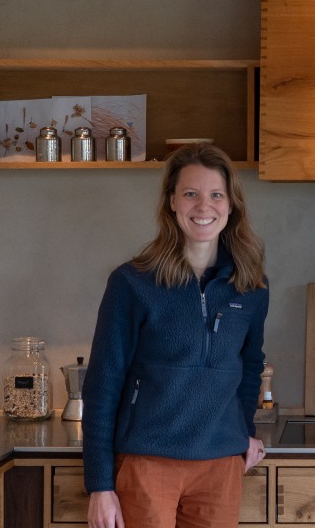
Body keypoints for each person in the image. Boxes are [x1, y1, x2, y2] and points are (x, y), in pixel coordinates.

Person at [83, 143, 270, 528]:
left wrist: (245, 431)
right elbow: (103, 383)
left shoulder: (251, 286)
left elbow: (250, 367)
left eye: (216, 195)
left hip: (220, 466)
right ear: (171, 201)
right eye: (190, 194)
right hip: (147, 462)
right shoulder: (132, 282)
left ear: (231, 205)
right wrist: (99, 484)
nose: (204, 206)